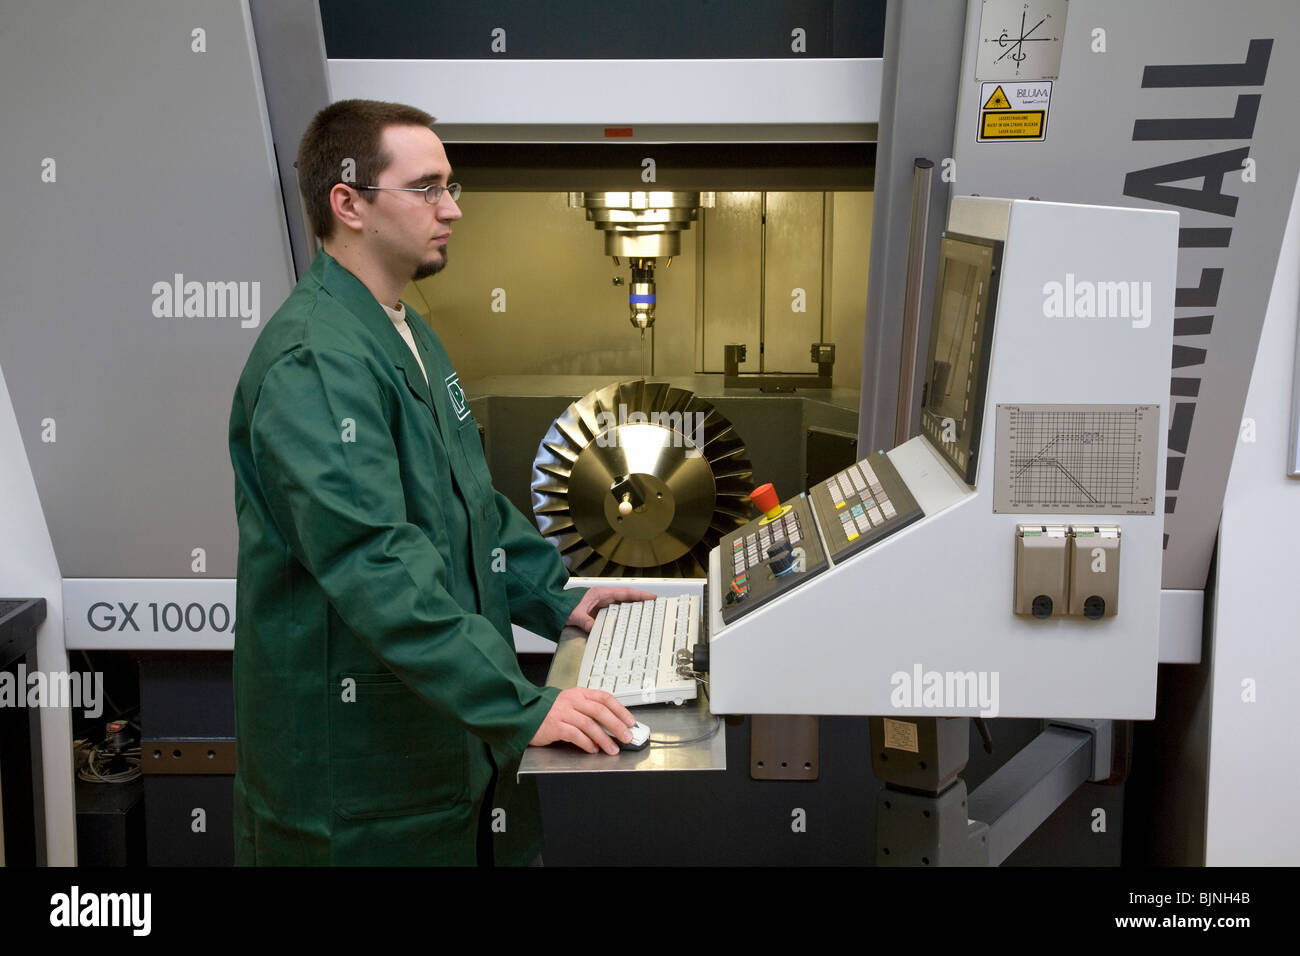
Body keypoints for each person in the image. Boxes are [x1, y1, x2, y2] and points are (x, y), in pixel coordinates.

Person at [228, 99, 652, 865]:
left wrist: (556, 596)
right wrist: (522, 706)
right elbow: (375, 562)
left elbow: (467, 500)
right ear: (349, 203)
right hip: (360, 779)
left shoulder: (402, 328)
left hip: (448, 747)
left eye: (451, 186)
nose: (451, 208)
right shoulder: (316, 360)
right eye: (425, 188)